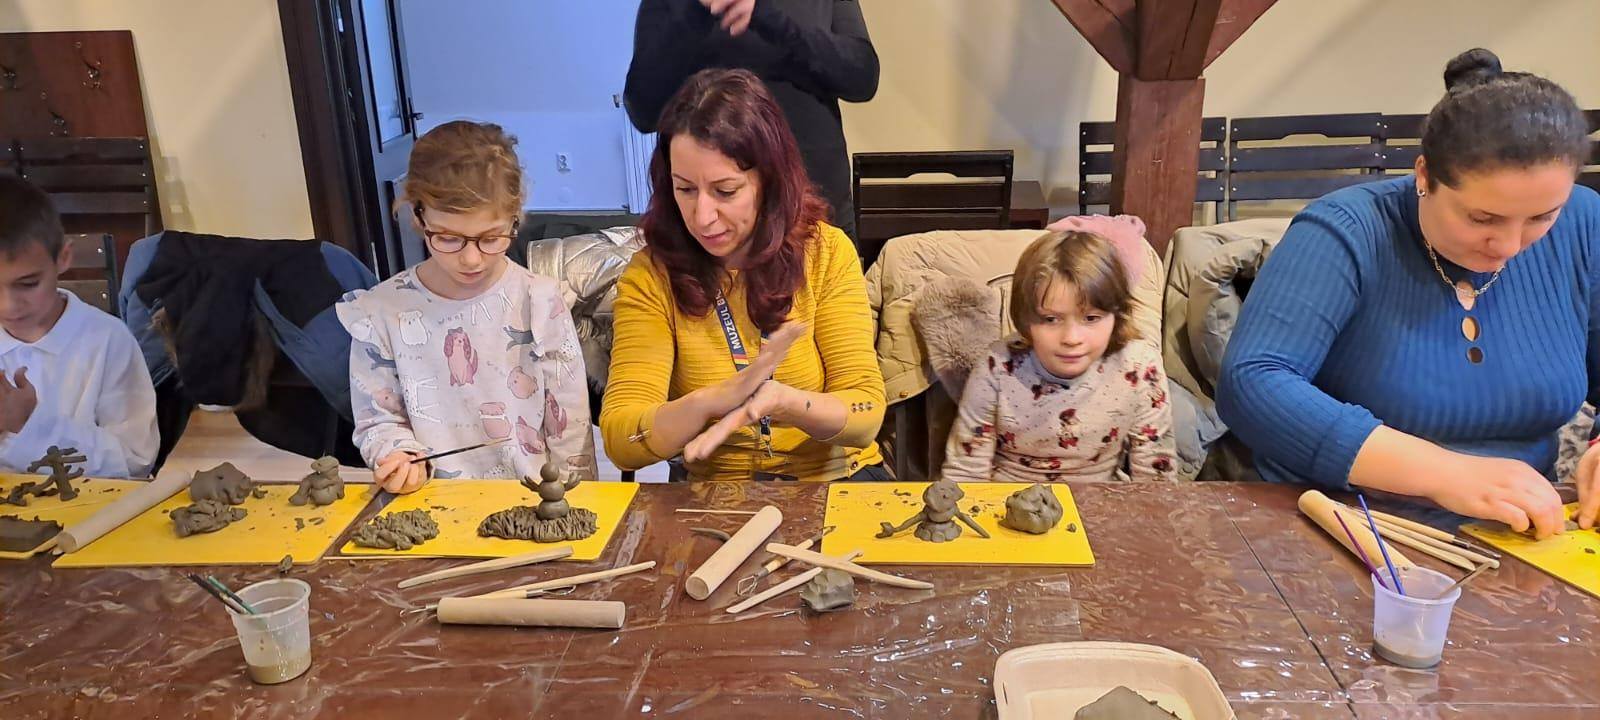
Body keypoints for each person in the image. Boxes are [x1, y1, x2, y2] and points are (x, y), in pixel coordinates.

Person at [1217, 48, 1600, 537]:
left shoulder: (1584, 222)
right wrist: (1443, 473)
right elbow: (1254, 382)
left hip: (1517, 532)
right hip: (1337, 522)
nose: (1508, 245)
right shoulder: (1348, 229)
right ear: (1424, 175)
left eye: (1542, 217)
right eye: (1482, 218)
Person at [600, 68, 886, 482]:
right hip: (716, 491)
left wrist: (785, 403)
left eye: (726, 191)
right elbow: (620, 438)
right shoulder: (652, 276)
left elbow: (867, 413)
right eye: (685, 189)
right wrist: (711, 401)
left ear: (770, 181)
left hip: (837, 480)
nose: (702, 217)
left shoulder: (825, 252)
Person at [337, 121, 594, 493]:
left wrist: (578, 498)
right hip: (428, 502)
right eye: (448, 238)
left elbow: (569, 428)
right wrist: (398, 454)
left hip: (534, 501)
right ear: (418, 216)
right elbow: (378, 421)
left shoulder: (539, 301)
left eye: (491, 238)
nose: (472, 259)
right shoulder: (380, 313)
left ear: (515, 217)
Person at [624, 0, 878, 241]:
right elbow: (643, 110)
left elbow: (862, 79)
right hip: (709, 222)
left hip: (815, 203)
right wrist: (696, 12)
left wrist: (770, 18)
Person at [941, 231, 1176, 483]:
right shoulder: (996, 366)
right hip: (1008, 497)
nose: (1071, 338)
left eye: (1091, 318)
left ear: (1117, 316)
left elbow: (1156, 479)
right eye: (1051, 319)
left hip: (1101, 497)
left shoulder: (1140, 366)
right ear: (1025, 319)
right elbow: (966, 473)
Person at [0, 175, 157, 477]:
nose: (8, 306)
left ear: (63, 258)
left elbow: (134, 461)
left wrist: (31, 424)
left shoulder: (107, 340)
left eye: (28, 284)